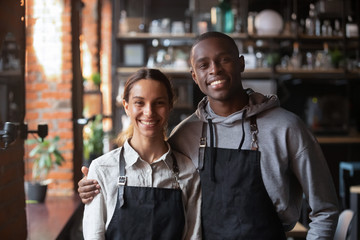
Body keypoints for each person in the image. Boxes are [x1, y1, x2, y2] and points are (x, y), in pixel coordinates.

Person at [79, 32, 339, 239]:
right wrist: (95, 184)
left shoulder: (287, 128)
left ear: (241, 63)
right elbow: (153, 175)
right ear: (195, 76)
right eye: (203, 65)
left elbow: (325, 209)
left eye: (224, 59)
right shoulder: (186, 134)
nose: (214, 70)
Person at [82, 68, 201, 240]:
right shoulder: (102, 169)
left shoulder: (188, 171)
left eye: (159, 103)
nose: (149, 112)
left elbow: (193, 236)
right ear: (126, 106)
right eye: (139, 102)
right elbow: (94, 235)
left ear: (169, 106)